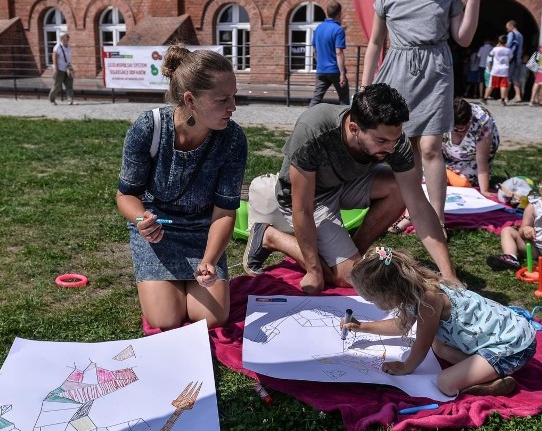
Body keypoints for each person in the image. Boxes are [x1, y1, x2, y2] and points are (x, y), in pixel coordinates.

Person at [243, 83, 455, 294]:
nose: (392, 148)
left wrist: (449, 275)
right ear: (354, 129)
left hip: (344, 184)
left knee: (400, 188)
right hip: (309, 196)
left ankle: (354, 251)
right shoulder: (314, 129)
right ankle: (269, 236)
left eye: (395, 139)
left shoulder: (393, 140)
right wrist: (314, 270)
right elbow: (302, 209)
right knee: (347, 277)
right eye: (381, 140)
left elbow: (418, 204)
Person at [360, 0, 480, 246]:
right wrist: (364, 85)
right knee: (405, 149)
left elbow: (464, 39)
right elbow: (374, 43)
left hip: (436, 71)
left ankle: (437, 218)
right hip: (397, 72)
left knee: (429, 147)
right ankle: (410, 209)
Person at [116, 44, 247, 330]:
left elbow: (225, 212)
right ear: (191, 100)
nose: (232, 107)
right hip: (158, 232)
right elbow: (126, 194)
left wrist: (210, 260)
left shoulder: (233, 139)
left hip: (204, 231)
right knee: (166, 318)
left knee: (212, 319)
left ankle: (195, 280)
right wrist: (142, 220)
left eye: (233, 96)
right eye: (223, 99)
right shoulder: (149, 128)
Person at [346, 246, 536, 397]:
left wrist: (405, 367)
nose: (373, 304)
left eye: (373, 299)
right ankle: (484, 369)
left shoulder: (427, 299)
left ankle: (491, 380)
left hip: (512, 346)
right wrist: (363, 327)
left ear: (388, 292)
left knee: (445, 382)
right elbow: (401, 325)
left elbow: (421, 346)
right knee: (439, 347)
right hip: (502, 334)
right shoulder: (414, 289)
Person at [389, 97, 499, 234]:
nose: (455, 132)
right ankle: (411, 214)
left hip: (470, 160)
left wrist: (484, 191)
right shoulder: (440, 115)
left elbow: (481, 160)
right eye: (452, 129)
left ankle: (445, 177)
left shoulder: (482, 121)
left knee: (464, 182)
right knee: (427, 177)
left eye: (460, 130)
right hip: (445, 156)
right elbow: (429, 152)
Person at [309, 1, 349, 107]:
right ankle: (344, 122)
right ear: (339, 14)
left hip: (321, 70)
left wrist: (320, 63)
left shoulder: (318, 28)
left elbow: (314, 51)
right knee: (344, 99)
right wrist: (342, 74)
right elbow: (339, 52)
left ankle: (305, 121)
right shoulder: (338, 30)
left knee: (316, 99)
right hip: (335, 70)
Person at [484, 35, 511, 105]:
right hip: (504, 70)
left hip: (495, 69)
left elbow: (490, 54)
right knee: (503, 85)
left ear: (499, 41)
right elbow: (510, 57)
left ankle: (485, 98)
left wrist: (496, 46)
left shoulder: (495, 49)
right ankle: (503, 100)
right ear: (506, 42)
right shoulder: (508, 50)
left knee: (491, 85)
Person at [49, 33, 74, 105]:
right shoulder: (58, 47)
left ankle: (70, 99)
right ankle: (52, 99)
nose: (68, 38)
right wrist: (56, 69)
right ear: (62, 38)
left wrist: (70, 67)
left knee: (69, 85)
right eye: (66, 37)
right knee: (57, 85)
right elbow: (54, 58)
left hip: (67, 69)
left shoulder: (68, 46)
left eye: (68, 37)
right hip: (59, 69)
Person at [505, 20, 525, 103]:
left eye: (507, 27)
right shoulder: (520, 35)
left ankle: (505, 97)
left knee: (508, 78)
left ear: (511, 26)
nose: (507, 29)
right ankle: (518, 96)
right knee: (515, 78)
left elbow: (508, 45)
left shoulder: (511, 34)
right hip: (518, 59)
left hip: (511, 59)